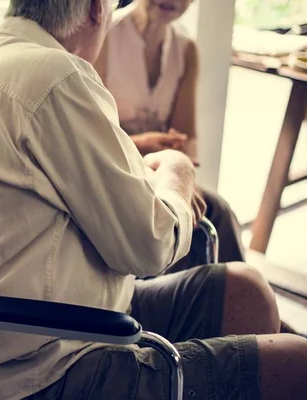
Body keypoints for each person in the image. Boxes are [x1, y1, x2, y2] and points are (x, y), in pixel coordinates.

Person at [0, 0, 307, 399]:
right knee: (301, 365)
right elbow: (149, 245)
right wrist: (177, 170)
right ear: (94, 9)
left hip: (37, 324)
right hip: (37, 367)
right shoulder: (54, 75)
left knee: (245, 290)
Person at [94, 0, 244, 272]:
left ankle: (239, 300)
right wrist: (141, 144)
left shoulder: (186, 50)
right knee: (191, 217)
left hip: (160, 172)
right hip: (113, 171)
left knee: (216, 210)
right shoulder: (103, 35)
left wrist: (183, 175)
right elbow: (90, 136)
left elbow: (185, 139)